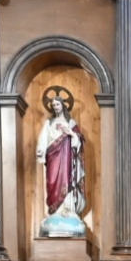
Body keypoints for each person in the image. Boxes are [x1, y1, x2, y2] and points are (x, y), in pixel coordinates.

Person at [36, 87, 87, 236]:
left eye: (57, 104)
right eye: (53, 105)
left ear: (63, 105)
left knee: (67, 181)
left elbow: (79, 140)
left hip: (67, 159)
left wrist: (71, 134)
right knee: (52, 181)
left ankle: (67, 209)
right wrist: (41, 150)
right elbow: (43, 139)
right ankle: (55, 211)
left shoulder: (71, 122)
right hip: (53, 157)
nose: (55, 107)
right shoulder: (49, 123)